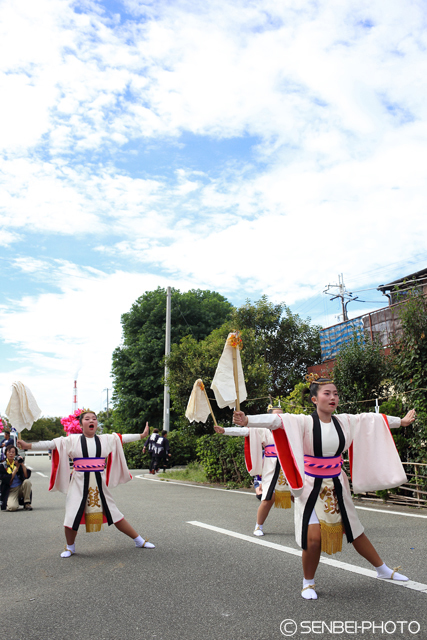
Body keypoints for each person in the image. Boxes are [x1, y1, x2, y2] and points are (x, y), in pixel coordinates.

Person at [233, 376, 416, 600]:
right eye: (327, 393)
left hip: (337, 482)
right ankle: (308, 583)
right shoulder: (303, 422)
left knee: (354, 530)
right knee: (313, 537)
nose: (333, 397)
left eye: (335, 393)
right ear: (314, 399)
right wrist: (247, 420)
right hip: (311, 486)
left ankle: (383, 570)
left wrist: (402, 422)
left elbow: (372, 421)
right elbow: (276, 422)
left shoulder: (345, 421)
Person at [18, 411, 155, 558]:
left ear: (96, 424)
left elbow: (122, 438)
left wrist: (141, 435)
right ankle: (70, 547)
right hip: (78, 483)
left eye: (94, 419)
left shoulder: (106, 439)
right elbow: (51, 444)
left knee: (114, 513)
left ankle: (139, 540)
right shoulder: (72, 440)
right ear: (80, 423)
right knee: (71, 516)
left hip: (99, 484)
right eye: (87, 419)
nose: (92, 421)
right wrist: (28, 445)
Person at [215, 405, 292, 537]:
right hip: (271, 466)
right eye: (276, 415)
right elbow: (244, 432)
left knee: (299, 495)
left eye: (282, 415)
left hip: (288, 466)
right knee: (268, 498)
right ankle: (258, 525)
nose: (280, 418)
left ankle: (310, 524)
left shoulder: (290, 429)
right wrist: (224, 430)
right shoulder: (261, 429)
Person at [0, 444, 33, 511]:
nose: (11, 454)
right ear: (6, 453)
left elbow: (26, 476)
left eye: (13, 452)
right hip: (10, 490)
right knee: (12, 507)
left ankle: (27, 503)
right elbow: (8, 480)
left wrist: (22, 464)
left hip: (20, 487)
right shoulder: (3, 466)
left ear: (16, 454)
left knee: (27, 482)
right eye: (9, 452)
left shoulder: (18, 463)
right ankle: (13, 501)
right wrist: (16, 468)